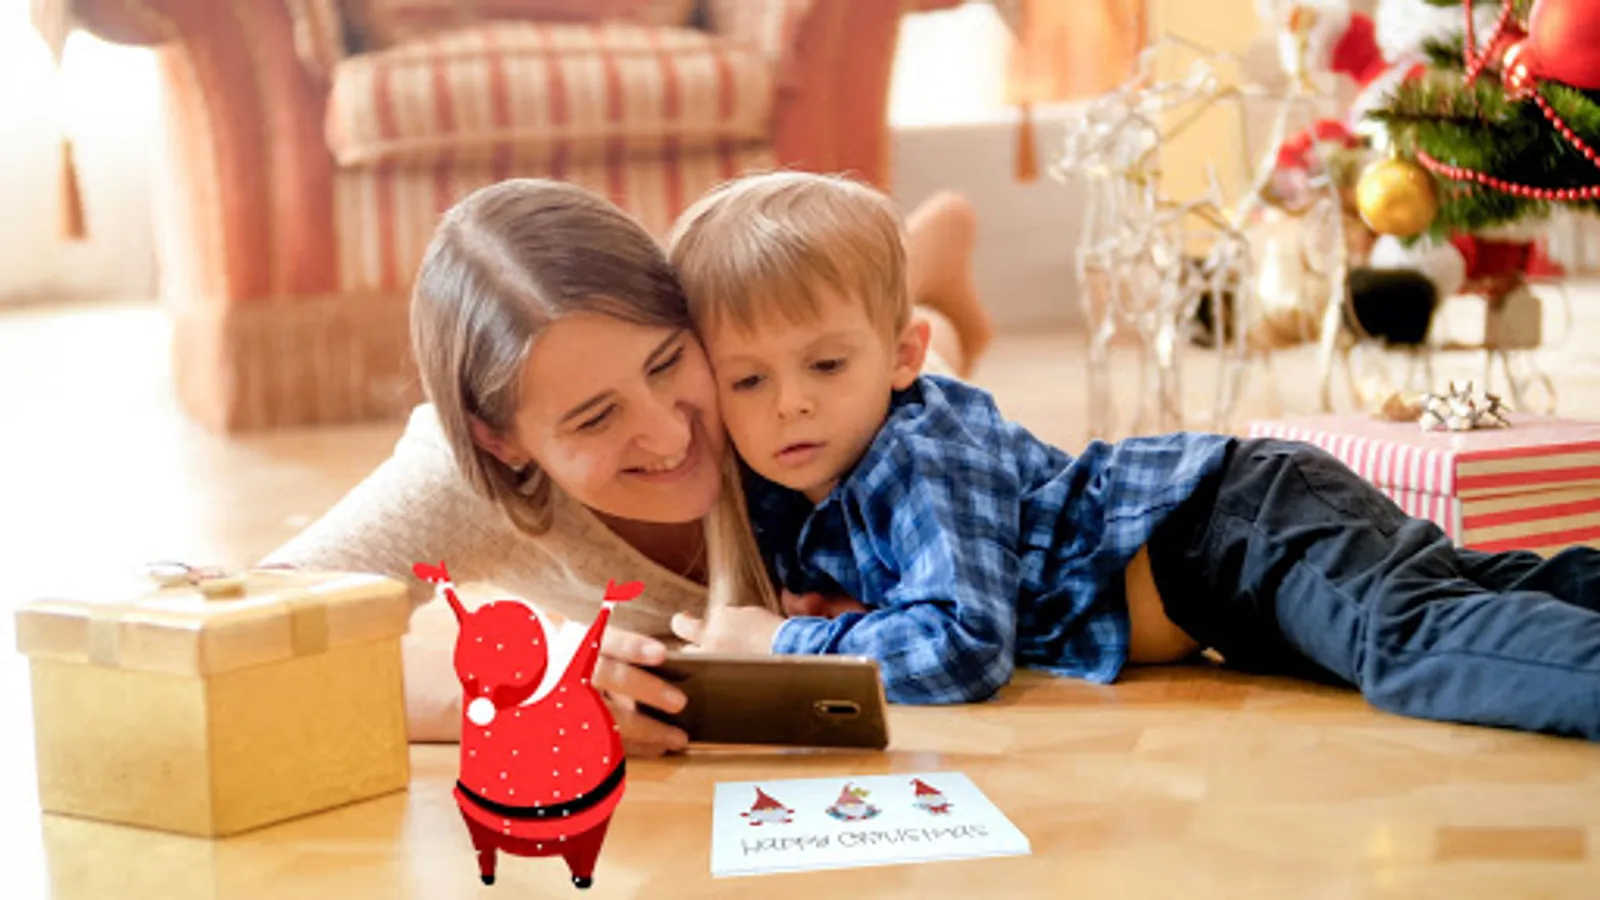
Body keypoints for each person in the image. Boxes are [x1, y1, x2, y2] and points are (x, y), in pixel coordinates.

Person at [664, 170, 1600, 740]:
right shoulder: (796, 473)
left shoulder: (919, 454)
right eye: (747, 380)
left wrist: (782, 644)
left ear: (906, 356)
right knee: (1474, 588)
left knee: (1407, 642)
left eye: (827, 365)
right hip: (1237, 561)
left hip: (1239, 534)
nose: (789, 402)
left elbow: (962, 650)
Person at [260, 177, 995, 754]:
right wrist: (518, 692)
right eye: (595, 418)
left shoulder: (772, 385)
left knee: (906, 361)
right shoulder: (459, 475)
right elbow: (254, 645)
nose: (670, 434)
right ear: (501, 442)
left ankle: (930, 290)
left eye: (666, 362)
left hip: (894, 379)